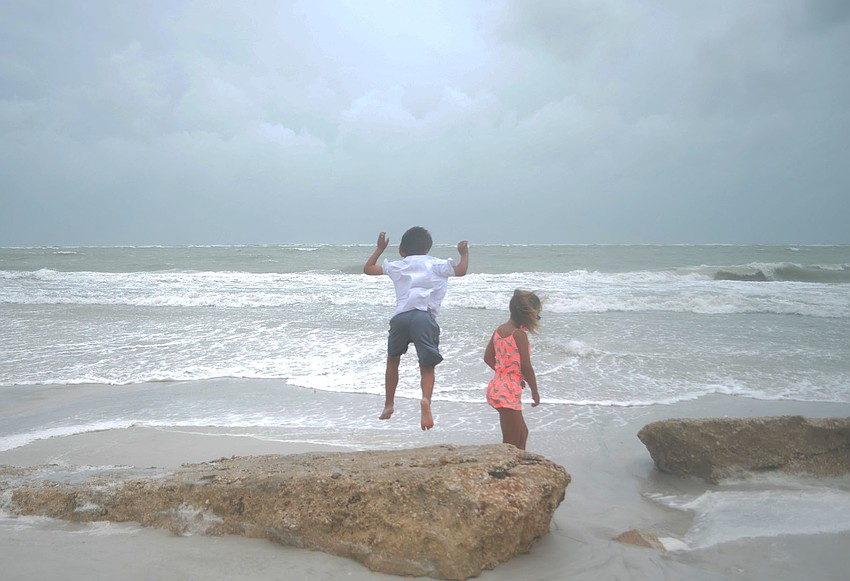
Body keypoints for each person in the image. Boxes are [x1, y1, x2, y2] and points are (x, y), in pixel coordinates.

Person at [364, 227, 469, 430]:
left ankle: (389, 404)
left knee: (393, 361)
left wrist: (379, 249)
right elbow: (461, 271)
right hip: (424, 318)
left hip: (401, 318)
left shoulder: (398, 265)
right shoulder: (437, 264)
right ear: (428, 248)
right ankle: (425, 401)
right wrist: (464, 254)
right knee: (426, 366)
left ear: (402, 251)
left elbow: (368, 269)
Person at [483, 289, 542, 450]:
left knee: (522, 434)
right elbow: (527, 367)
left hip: (499, 386)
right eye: (537, 315)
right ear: (527, 315)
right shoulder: (518, 334)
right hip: (507, 391)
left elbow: (488, 357)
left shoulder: (499, 330)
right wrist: (535, 391)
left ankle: (518, 468)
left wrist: (505, 374)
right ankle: (506, 472)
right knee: (511, 442)